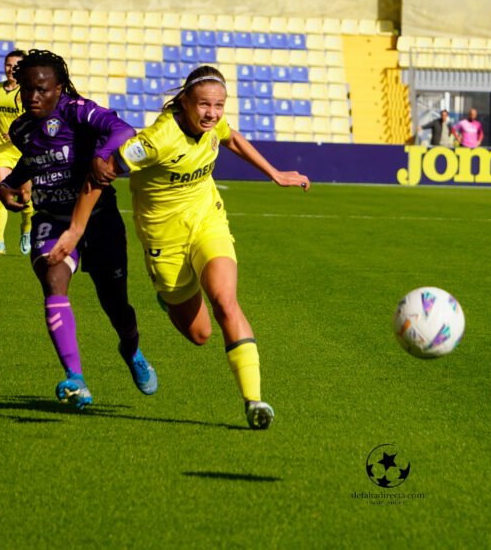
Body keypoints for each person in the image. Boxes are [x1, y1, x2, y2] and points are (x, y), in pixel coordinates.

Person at [46, 64, 310, 429]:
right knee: (200, 335)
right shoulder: (155, 141)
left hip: (207, 222)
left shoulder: (214, 122)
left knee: (225, 301)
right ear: (184, 101)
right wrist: (76, 230)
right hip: (163, 240)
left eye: (218, 105)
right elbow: (101, 173)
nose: (212, 113)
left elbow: (230, 136)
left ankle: (254, 401)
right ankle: (168, 301)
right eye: (204, 105)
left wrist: (275, 174)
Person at [0, 50, 157, 409]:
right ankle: (76, 379)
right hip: (51, 217)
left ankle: (131, 349)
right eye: (26, 90)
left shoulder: (77, 110)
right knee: (53, 279)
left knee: (115, 304)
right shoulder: (21, 128)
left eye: (41, 89)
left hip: (98, 216)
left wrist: (103, 156)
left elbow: (124, 130)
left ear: (59, 88)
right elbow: (34, 159)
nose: (32, 97)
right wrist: (8, 184)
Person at [0, 49, 33, 256]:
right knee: (1, 192)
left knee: (25, 196)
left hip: (23, 151)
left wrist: (18, 131)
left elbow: (35, 118)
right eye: (8, 64)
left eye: (16, 65)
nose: (11, 69)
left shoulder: (28, 91)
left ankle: (26, 232)